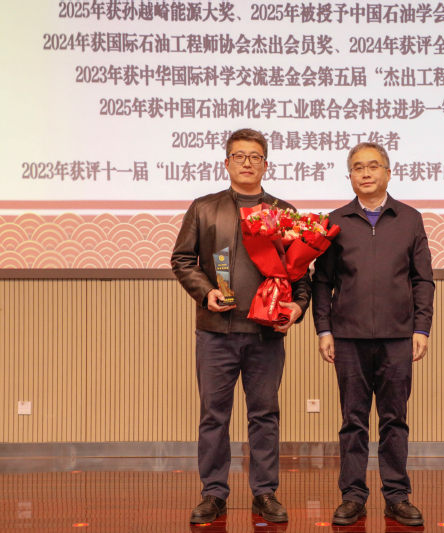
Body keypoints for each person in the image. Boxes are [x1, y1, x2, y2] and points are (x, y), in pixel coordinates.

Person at [171, 128, 311, 525]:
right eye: (239, 156)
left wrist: (297, 308)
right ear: (226, 162)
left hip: (266, 334)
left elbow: (300, 274)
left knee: (264, 415)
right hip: (216, 331)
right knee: (214, 415)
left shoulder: (284, 212)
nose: (247, 163)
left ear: (266, 164)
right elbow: (182, 260)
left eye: (255, 157)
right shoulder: (204, 208)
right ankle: (213, 493)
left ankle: (265, 493)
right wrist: (206, 293)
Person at [312, 142, 434, 527]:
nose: (365, 173)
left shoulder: (410, 219)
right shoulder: (335, 221)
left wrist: (421, 327)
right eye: (357, 167)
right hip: (348, 337)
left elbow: (422, 279)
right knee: (353, 420)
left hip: (398, 336)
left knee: (394, 419)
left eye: (373, 166)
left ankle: (397, 496)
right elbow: (322, 281)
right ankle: (352, 496)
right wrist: (324, 329)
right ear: (350, 176)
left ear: (387, 172)